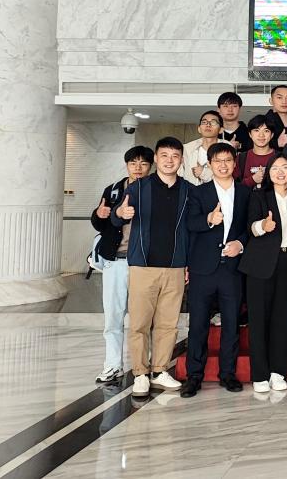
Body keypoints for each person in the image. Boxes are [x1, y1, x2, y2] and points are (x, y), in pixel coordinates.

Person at [112, 137, 191, 397]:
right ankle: (140, 373)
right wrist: (120, 214)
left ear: (181, 160)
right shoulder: (139, 187)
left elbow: (191, 228)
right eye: (164, 155)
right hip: (143, 266)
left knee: (168, 323)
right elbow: (115, 216)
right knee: (139, 323)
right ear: (156, 159)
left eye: (175, 156)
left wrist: (188, 262)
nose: (169, 160)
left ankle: (159, 370)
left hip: (175, 266)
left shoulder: (188, 190)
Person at [181, 142, 250, 398]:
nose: (223, 165)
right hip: (203, 268)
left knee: (231, 324)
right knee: (198, 324)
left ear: (235, 163)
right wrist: (209, 219)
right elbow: (189, 223)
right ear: (210, 164)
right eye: (218, 161)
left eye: (228, 160)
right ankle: (194, 376)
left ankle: (228, 373)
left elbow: (249, 226)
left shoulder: (245, 193)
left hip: (232, 269)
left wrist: (240, 244)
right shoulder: (198, 193)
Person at [91, 145, 153, 384]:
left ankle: (144, 364)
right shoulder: (114, 189)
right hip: (115, 261)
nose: (138, 168)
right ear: (127, 165)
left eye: (143, 163)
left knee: (144, 317)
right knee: (113, 316)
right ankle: (112, 364)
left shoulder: (154, 190)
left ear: (150, 166)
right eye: (133, 163)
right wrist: (99, 214)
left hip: (144, 263)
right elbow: (100, 223)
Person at [240, 155, 287, 394]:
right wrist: (262, 226)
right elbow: (250, 227)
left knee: (282, 319)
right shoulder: (258, 196)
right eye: (275, 168)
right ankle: (260, 374)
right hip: (260, 264)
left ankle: (278, 372)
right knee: (259, 321)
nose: (280, 172)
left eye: (285, 167)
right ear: (269, 173)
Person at [182, 110, 222, 185]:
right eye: (204, 122)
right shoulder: (187, 149)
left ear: (221, 129)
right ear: (199, 129)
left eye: (213, 122)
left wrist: (204, 173)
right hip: (190, 191)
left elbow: (228, 177)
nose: (208, 125)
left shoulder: (227, 150)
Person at [237, 115, 277, 189]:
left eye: (266, 131)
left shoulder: (279, 157)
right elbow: (233, 187)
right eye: (256, 130)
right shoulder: (241, 158)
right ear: (250, 134)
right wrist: (252, 180)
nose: (261, 135)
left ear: (272, 135)